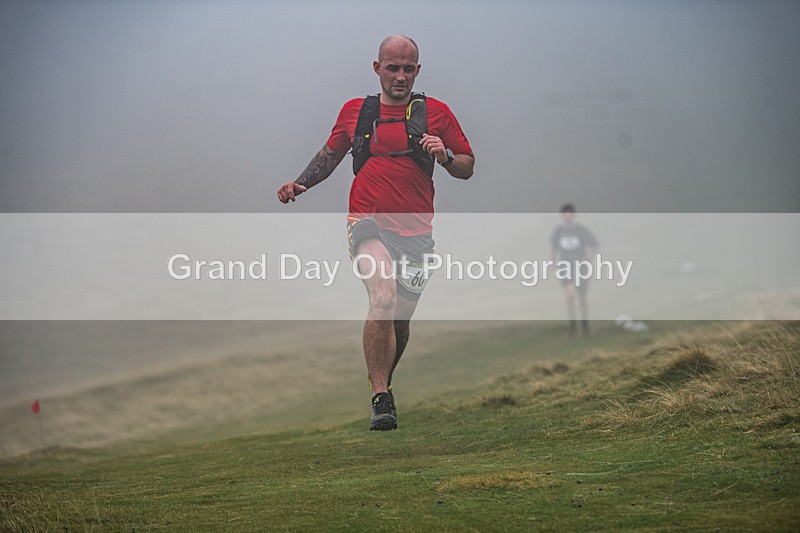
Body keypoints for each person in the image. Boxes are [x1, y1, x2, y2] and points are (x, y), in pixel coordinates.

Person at [277, 35, 474, 431]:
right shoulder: (356, 112)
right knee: (382, 297)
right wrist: (299, 184)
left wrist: (446, 155)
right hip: (366, 221)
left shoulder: (437, 112)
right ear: (377, 68)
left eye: (407, 69)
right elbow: (330, 155)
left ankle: (382, 377)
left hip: (417, 231)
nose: (399, 76)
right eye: (392, 68)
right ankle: (380, 397)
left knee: (399, 320)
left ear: (417, 71)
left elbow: (467, 166)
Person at [549, 203, 598, 337]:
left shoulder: (581, 230)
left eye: (569, 213)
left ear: (573, 215)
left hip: (581, 267)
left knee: (582, 297)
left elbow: (594, 244)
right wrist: (552, 262)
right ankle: (573, 327)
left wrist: (589, 256)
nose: (567, 216)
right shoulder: (558, 231)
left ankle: (585, 325)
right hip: (565, 267)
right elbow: (554, 247)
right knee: (570, 295)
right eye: (565, 214)